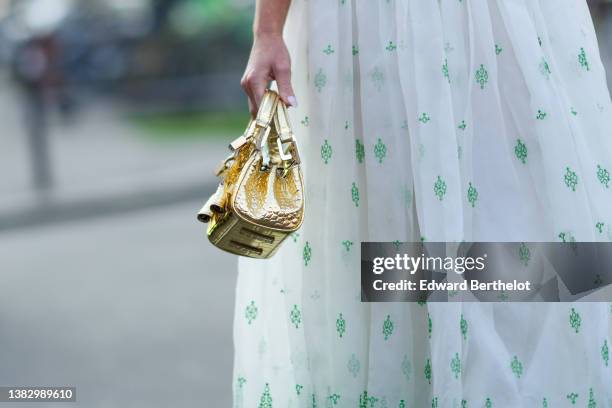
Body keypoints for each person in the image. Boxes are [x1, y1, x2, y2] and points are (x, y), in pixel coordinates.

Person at [235, 0, 612, 406]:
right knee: (388, 247)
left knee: (535, 223)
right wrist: (267, 32)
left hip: (502, 21)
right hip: (368, 27)